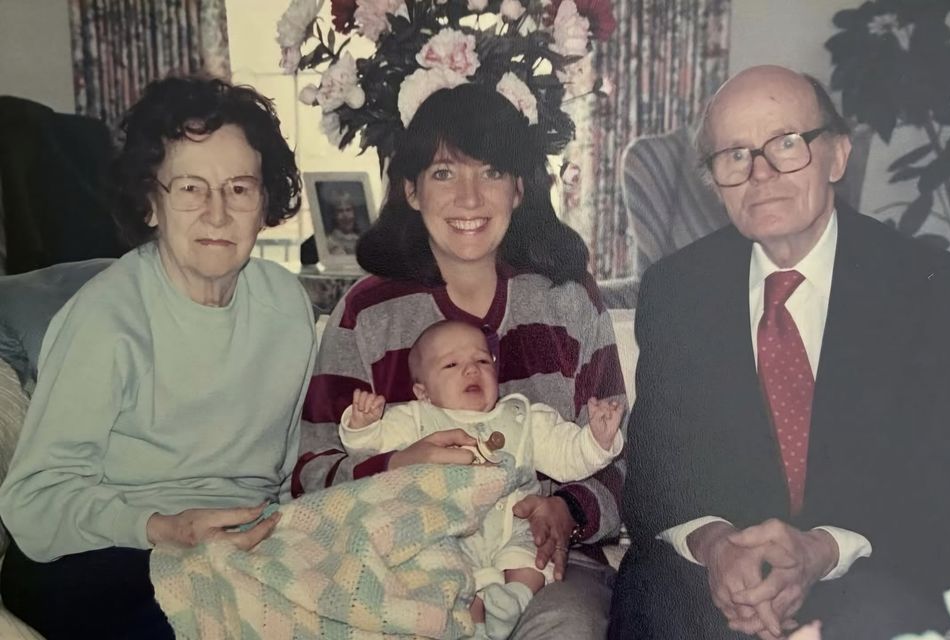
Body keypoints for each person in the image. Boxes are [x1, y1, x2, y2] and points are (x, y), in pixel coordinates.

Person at [608, 65, 950, 639]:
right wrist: (715, 543)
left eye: (786, 144)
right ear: (715, 181)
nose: (761, 173)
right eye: (736, 155)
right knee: (655, 606)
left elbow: (942, 478)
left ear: (837, 157)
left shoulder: (929, 284)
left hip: (870, 564)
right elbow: (655, 475)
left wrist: (821, 549)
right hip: (714, 576)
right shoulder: (677, 289)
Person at [295, 83, 627, 639]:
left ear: (519, 189)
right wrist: (397, 466)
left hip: (543, 567)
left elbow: (622, 460)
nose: (470, 199)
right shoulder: (367, 313)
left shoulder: (568, 301)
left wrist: (568, 511)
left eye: (492, 172)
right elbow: (311, 474)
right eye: (445, 173)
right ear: (412, 190)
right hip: (406, 560)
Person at [0, 76, 317, 639]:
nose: (218, 214)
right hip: (104, 551)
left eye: (240, 188)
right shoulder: (107, 318)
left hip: (234, 545)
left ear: (266, 201)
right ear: (151, 202)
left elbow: (279, 474)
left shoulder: (288, 306)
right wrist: (162, 527)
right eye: (191, 189)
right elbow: (33, 501)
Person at [342, 320, 624, 639]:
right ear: (422, 392)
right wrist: (362, 425)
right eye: (451, 364)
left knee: (534, 551)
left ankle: (515, 598)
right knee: (444, 573)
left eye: (481, 360)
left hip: (514, 525)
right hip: (447, 533)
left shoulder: (523, 416)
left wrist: (597, 440)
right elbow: (370, 451)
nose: (471, 370)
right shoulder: (413, 419)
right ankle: (472, 626)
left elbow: (567, 457)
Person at [326, 191, 361, 255]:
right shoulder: (330, 242)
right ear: (334, 216)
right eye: (340, 211)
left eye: (348, 210)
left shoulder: (360, 241)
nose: (345, 215)